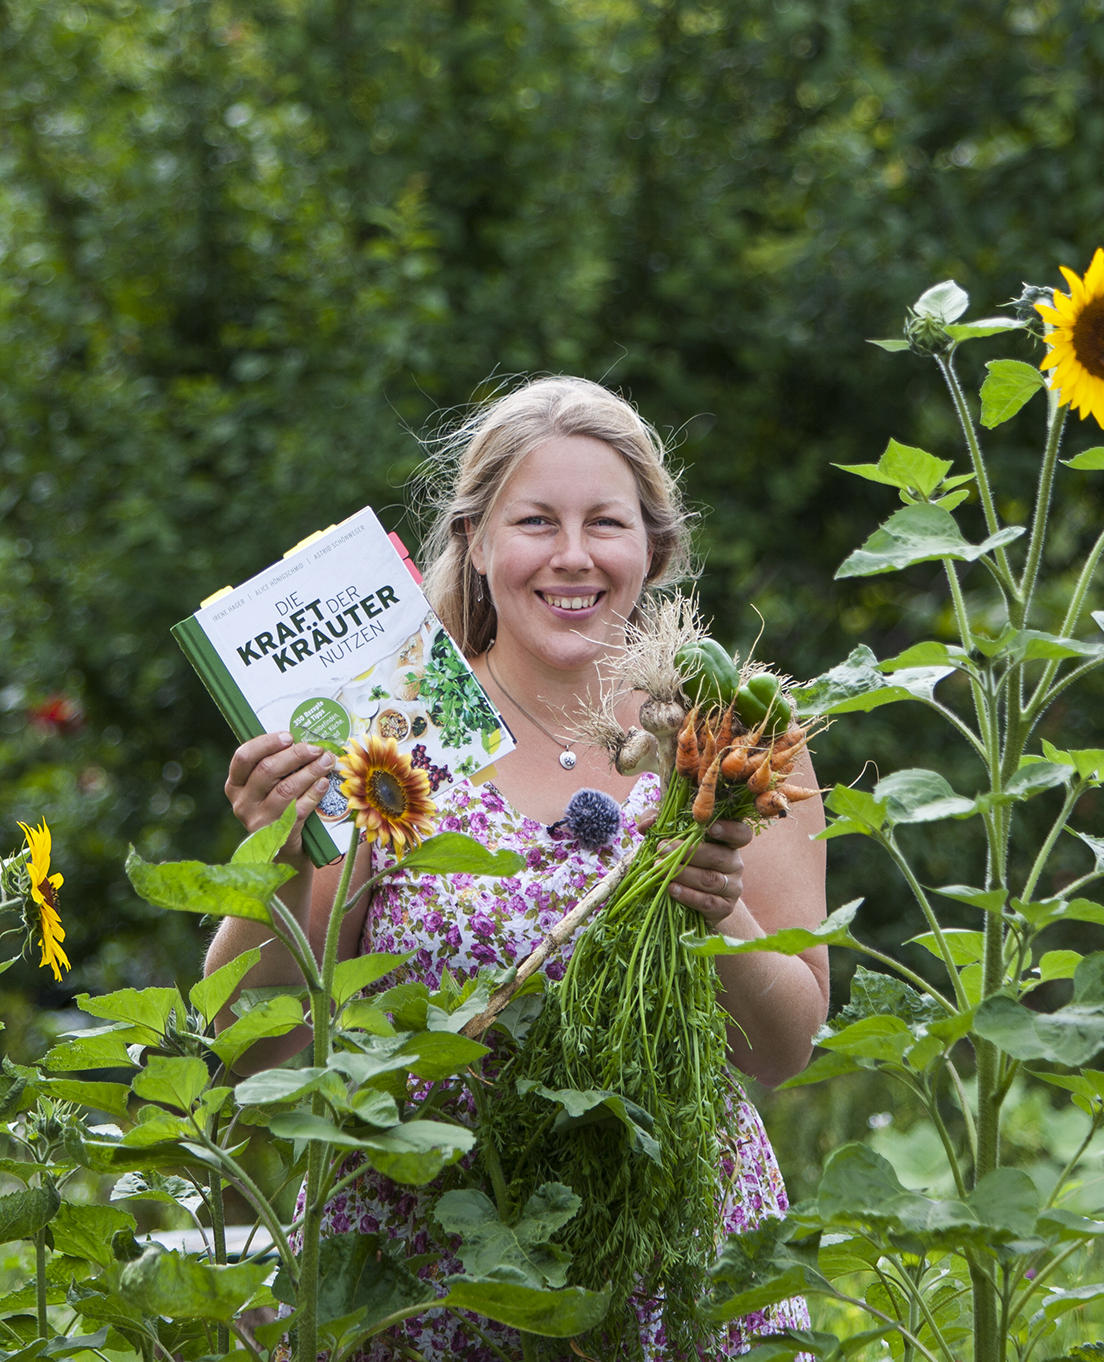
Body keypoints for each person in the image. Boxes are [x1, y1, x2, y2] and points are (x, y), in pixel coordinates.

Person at [204, 375, 828, 1359]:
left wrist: (718, 913)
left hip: (668, 1250)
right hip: (426, 1262)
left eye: (605, 524)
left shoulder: (734, 733)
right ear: (478, 543)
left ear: (653, 549)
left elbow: (782, 1049)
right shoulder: (399, 729)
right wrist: (280, 859)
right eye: (536, 521)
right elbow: (251, 1046)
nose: (573, 557)